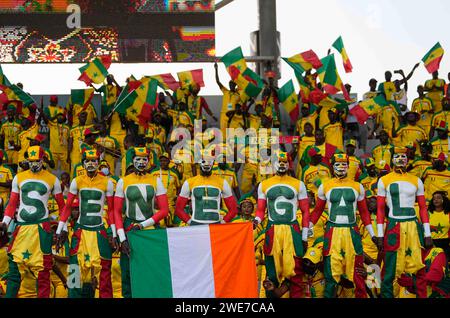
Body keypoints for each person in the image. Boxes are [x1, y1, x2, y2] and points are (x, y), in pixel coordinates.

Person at [0, 146, 65, 298]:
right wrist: (4, 222)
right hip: (22, 227)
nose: (34, 164)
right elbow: (12, 203)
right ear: (27, 160)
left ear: (43, 160)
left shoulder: (52, 179)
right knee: (14, 269)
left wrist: (62, 229)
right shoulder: (19, 177)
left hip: (42, 228)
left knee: (43, 272)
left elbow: (62, 207)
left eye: (37, 161)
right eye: (31, 161)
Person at [310, 153, 375, 298]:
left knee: (357, 272)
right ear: (332, 167)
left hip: (352, 231)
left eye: (344, 164)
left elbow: (364, 213)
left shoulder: (357, 186)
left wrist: (373, 234)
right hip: (333, 231)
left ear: (348, 166)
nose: (341, 167)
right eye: (337, 164)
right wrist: (308, 226)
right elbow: (317, 211)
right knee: (331, 272)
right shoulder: (324, 186)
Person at [55, 149, 117, 298]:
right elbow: (67, 207)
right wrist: (59, 230)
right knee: (74, 271)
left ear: (98, 163)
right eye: (87, 161)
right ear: (83, 163)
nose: (90, 164)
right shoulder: (77, 181)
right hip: (80, 230)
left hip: (100, 231)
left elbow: (111, 211)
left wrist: (113, 234)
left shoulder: (107, 182)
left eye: (94, 161)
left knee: (104, 273)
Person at [375, 146, 433, 298]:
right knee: (390, 270)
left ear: (407, 159)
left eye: (403, 156)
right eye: (397, 156)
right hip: (394, 225)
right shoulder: (384, 180)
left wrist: (427, 233)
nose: (400, 159)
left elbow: (422, 208)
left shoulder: (416, 180)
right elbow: (380, 210)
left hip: (414, 226)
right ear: (392, 159)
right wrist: (380, 235)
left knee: (419, 268)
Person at [113, 147, 170, 298]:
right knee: (127, 269)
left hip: (150, 229)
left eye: (144, 159)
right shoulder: (123, 182)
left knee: (151, 266)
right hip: (129, 228)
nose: (141, 162)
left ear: (149, 161)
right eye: (138, 159)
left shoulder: (156, 180)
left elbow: (165, 210)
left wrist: (143, 224)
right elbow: (116, 212)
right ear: (132, 161)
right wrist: (122, 237)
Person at [253, 151, 311, 298]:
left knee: (296, 271)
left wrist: (304, 237)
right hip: (272, 229)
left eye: (285, 161)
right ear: (273, 163)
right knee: (271, 271)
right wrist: (256, 221)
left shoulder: (299, 184)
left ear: (289, 164)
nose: (282, 164)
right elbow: (260, 211)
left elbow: (305, 212)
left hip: (292, 229)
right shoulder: (264, 185)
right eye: (279, 161)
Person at [175, 151, 238, 225]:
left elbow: (233, 210)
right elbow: (179, 209)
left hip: (215, 225)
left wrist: (222, 222)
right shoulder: (189, 182)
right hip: (196, 224)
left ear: (213, 163)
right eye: (204, 161)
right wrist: (190, 222)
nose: (207, 164)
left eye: (209, 161)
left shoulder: (222, 182)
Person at [149, 152, 181, 228]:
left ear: (169, 162)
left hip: (170, 202)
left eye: (165, 160)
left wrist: (177, 199)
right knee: (159, 223)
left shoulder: (174, 174)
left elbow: (178, 187)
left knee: (170, 223)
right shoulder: (154, 173)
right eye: (161, 161)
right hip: (158, 203)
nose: (163, 162)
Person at [214, 61, 242, 136]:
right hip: (223, 114)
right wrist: (216, 69)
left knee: (231, 134)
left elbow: (241, 104)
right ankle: (224, 146)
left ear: (235, 85)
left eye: (232, 84)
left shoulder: (238, 95)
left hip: (233, 115)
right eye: (230, 84)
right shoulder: (225, 91)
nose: (231, 85)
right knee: (223, 134)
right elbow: (217, 81)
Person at [40, 110, 70, 174]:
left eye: (61, 116)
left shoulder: (67, 128)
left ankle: (67, 183)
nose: (59, 117)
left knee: (67, 170)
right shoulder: (52, 125)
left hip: (64, 152)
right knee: (51, 169)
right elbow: (46, 120)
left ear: (64, 119)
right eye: (58, 116)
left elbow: (69, 139)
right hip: (53, 151)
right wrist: (55, 116)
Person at [68, 112, 94, 177]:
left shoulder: (90, 127)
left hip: (86, 153)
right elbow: (70, 144)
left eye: (85, 117)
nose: (83, 118)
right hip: (75, 154)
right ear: (78, 118)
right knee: (74, 170)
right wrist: (68, 156)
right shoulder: (72, 130)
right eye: (82, 117)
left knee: (85, 169)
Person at [428, 191, 450, 259]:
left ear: (444, 199)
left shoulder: (448, 213)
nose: (436, 200)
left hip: (446, 244)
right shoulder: (427, 213)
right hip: (431, 243)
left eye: (438, 198)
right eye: (434, 199)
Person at [0, 105, 22, 170]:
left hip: (15, 150)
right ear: (7, 113)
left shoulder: (19, 123)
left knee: (15, 167)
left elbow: (23, 135)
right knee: (6, 168)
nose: (10, 114)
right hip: (6, 150)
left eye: (12, 112)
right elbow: (1, 135)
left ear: (14, 113)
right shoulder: (3, 124)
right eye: (9, 112)